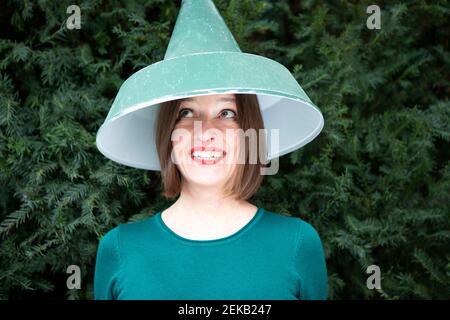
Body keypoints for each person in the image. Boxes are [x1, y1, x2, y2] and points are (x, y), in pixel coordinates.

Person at [94, 0, 327, 300]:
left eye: (227, 113)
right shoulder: (119, 249)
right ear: (168, 134)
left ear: (249, 132)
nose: (205, 131)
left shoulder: (297, 243)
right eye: (187, 112)